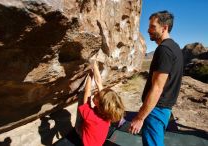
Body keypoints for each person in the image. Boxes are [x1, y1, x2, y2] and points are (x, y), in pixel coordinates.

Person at [129, 10, 183, 146]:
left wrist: (140, 118)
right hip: (164, 109)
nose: (148, 30)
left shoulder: (164, 50)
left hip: (156, 110)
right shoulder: (175, 47)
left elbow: (157, 87)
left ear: (164, 28)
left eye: (153, 27)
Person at [77, 61, 125, 146]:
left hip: (88, 142)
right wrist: (94, 64)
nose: (96, 93)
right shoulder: (108, 113)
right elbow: (99, 83)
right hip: (98, 141)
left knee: (82, 99)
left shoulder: (91, 118)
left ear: (100, 105)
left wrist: (90, 76)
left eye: (97, 95)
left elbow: (87, 93)